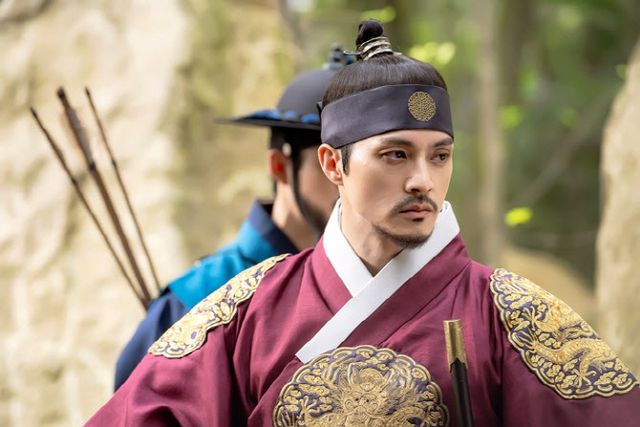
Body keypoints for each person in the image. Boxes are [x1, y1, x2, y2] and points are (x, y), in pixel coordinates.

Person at [89, 20, 639, 426]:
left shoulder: (515, 315)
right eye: (396, 155)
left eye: (440, 156)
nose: (423, 180)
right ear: (334, 164)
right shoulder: (247, 310)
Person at [113, 47, 345, 390]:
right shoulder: (199, 296)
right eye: (331, 162)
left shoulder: (367, 285)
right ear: (280, 166)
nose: (346, 180)